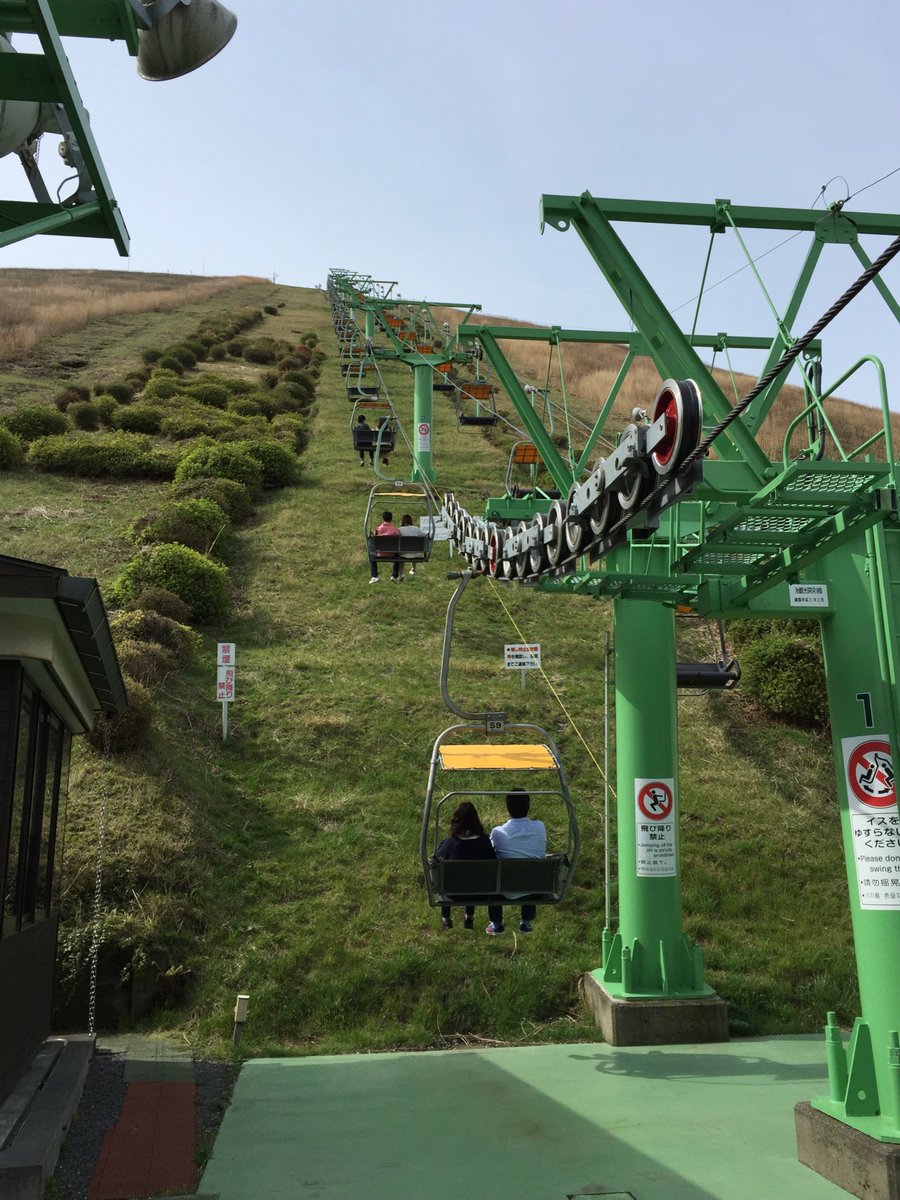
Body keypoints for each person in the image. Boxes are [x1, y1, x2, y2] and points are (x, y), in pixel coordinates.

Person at [486, 789, 546, 935]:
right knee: (530, 870)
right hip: (534, 888)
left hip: (504, 888)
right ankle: (526, 920)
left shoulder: (498, 832)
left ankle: (496, 923)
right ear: (528, 806)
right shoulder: (540, 827)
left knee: (493, 870)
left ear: (508, 808)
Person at [435, 800, 496, 930]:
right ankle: (469, 915)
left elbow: (438, 859)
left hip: (454, 893)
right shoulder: (484, 841)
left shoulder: (450, 843)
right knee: (473, 877)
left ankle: (446, 918)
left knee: (447, 877)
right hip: (479, 892)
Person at [369, 510, 401, 583]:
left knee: (371, 556)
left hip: (380, 553)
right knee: (398, 556)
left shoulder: (378, 529)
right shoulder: (395, 530)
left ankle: (375, 576)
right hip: (392, 554)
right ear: (391, 519)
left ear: (383, 518)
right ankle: (394, 575)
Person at [399, 513, 419, 577]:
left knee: (401, 554)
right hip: (414, 553)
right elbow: (425, 535)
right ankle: (413, 569)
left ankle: (401, 572)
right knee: (412, 550)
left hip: (403, 553)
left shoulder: (399, 530)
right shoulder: (416, 529)